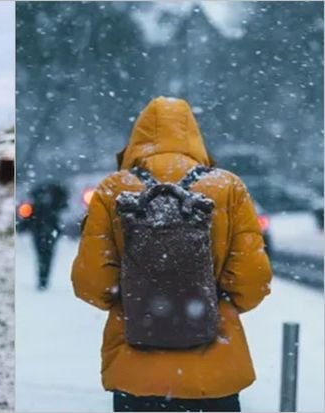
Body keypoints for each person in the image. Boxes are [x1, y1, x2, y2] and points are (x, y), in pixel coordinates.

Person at [71, 96, 272, 412]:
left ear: (137, 137)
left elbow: (91, 283)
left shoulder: (113, 190)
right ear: (194, 136)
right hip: (214, 374)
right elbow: (253, 281)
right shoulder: (228, 187)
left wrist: (139, 299)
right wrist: (207, 302)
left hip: (135, 373)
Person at [30, 181, 68, 290]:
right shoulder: (55, 202)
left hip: (42, 230)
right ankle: (43, 279)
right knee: (46, 256)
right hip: (47, 231)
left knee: (43, 256)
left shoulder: (40, 201)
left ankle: (43, 279)